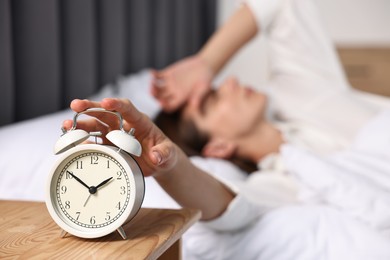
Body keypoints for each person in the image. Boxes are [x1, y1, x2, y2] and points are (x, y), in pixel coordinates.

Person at [63, 0, 390, 258]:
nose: (231, 81)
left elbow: (283, 3)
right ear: (218, 148)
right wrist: (170, 163)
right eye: (213, 99)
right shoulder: (279, 183)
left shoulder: (303, 95)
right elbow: (227, 209)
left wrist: (205, 64)